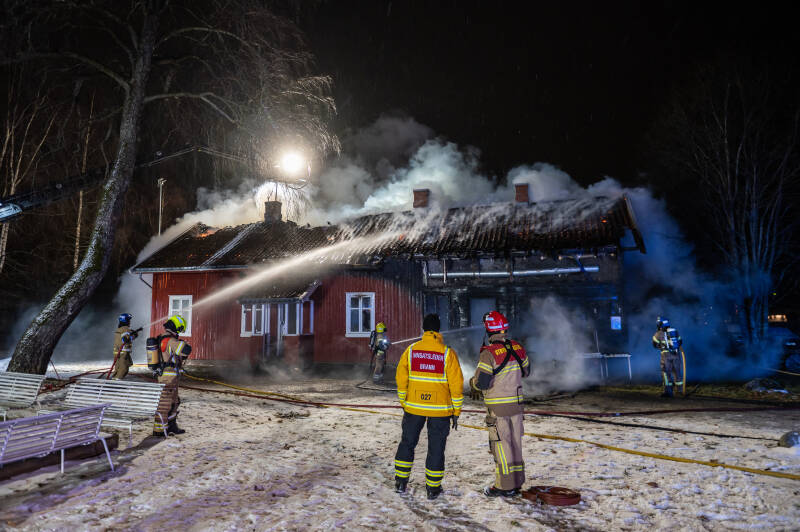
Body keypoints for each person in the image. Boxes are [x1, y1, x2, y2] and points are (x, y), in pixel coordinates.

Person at [394, 314, 463, 500]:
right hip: (440, 411)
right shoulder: (448, 353)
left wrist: (405, 403)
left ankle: (400, 482)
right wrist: (456, 412)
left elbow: (401, 380)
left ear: (424, 329)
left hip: (413, 408)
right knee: (436, 448)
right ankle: (433, 489)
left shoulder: (411, 350)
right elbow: (456, 386)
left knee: (407, 443)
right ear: (438, 330)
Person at [468, 310, 530, 497]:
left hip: (498, 408)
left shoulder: (489, 353)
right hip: (517, 405)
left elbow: (481, 382)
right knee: (515, 443)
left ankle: (504, 486)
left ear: (488, 330)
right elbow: (526, 372)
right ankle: (517, 482)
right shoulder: (518, 348)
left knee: (502, 446)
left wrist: (472, 383)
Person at [153, 315, 192, 436]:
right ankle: (159, 430)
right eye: (180, 329)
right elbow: (186, 350)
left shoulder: (162, 338)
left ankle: (171, 426)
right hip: (168, 377)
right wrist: (184, 343)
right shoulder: (170, 340)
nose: (179, 332)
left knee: (174, 401)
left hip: (170, 376)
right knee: (165, 403)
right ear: (176, 327)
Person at [653, 316, 683, 397]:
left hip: (665, 356)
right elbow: (680, 342)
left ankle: (668, 392)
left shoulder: (658, 334)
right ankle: (680, 391)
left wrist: (662, 346)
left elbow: (654, 344)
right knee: (677, 373)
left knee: (666, 373)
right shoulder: (675, 331)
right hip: (676, 355)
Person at [112, 313, 137, 380]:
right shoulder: (126, 329)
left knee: (117, 367)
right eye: (129, 320)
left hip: (117, 351)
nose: (130, 322)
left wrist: (131, 333)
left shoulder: (119, 329)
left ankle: (114, 377)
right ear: (126, 321)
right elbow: (125, 340)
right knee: (124, 368)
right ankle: (117, 380)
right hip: (123, 352)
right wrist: (134, 336)